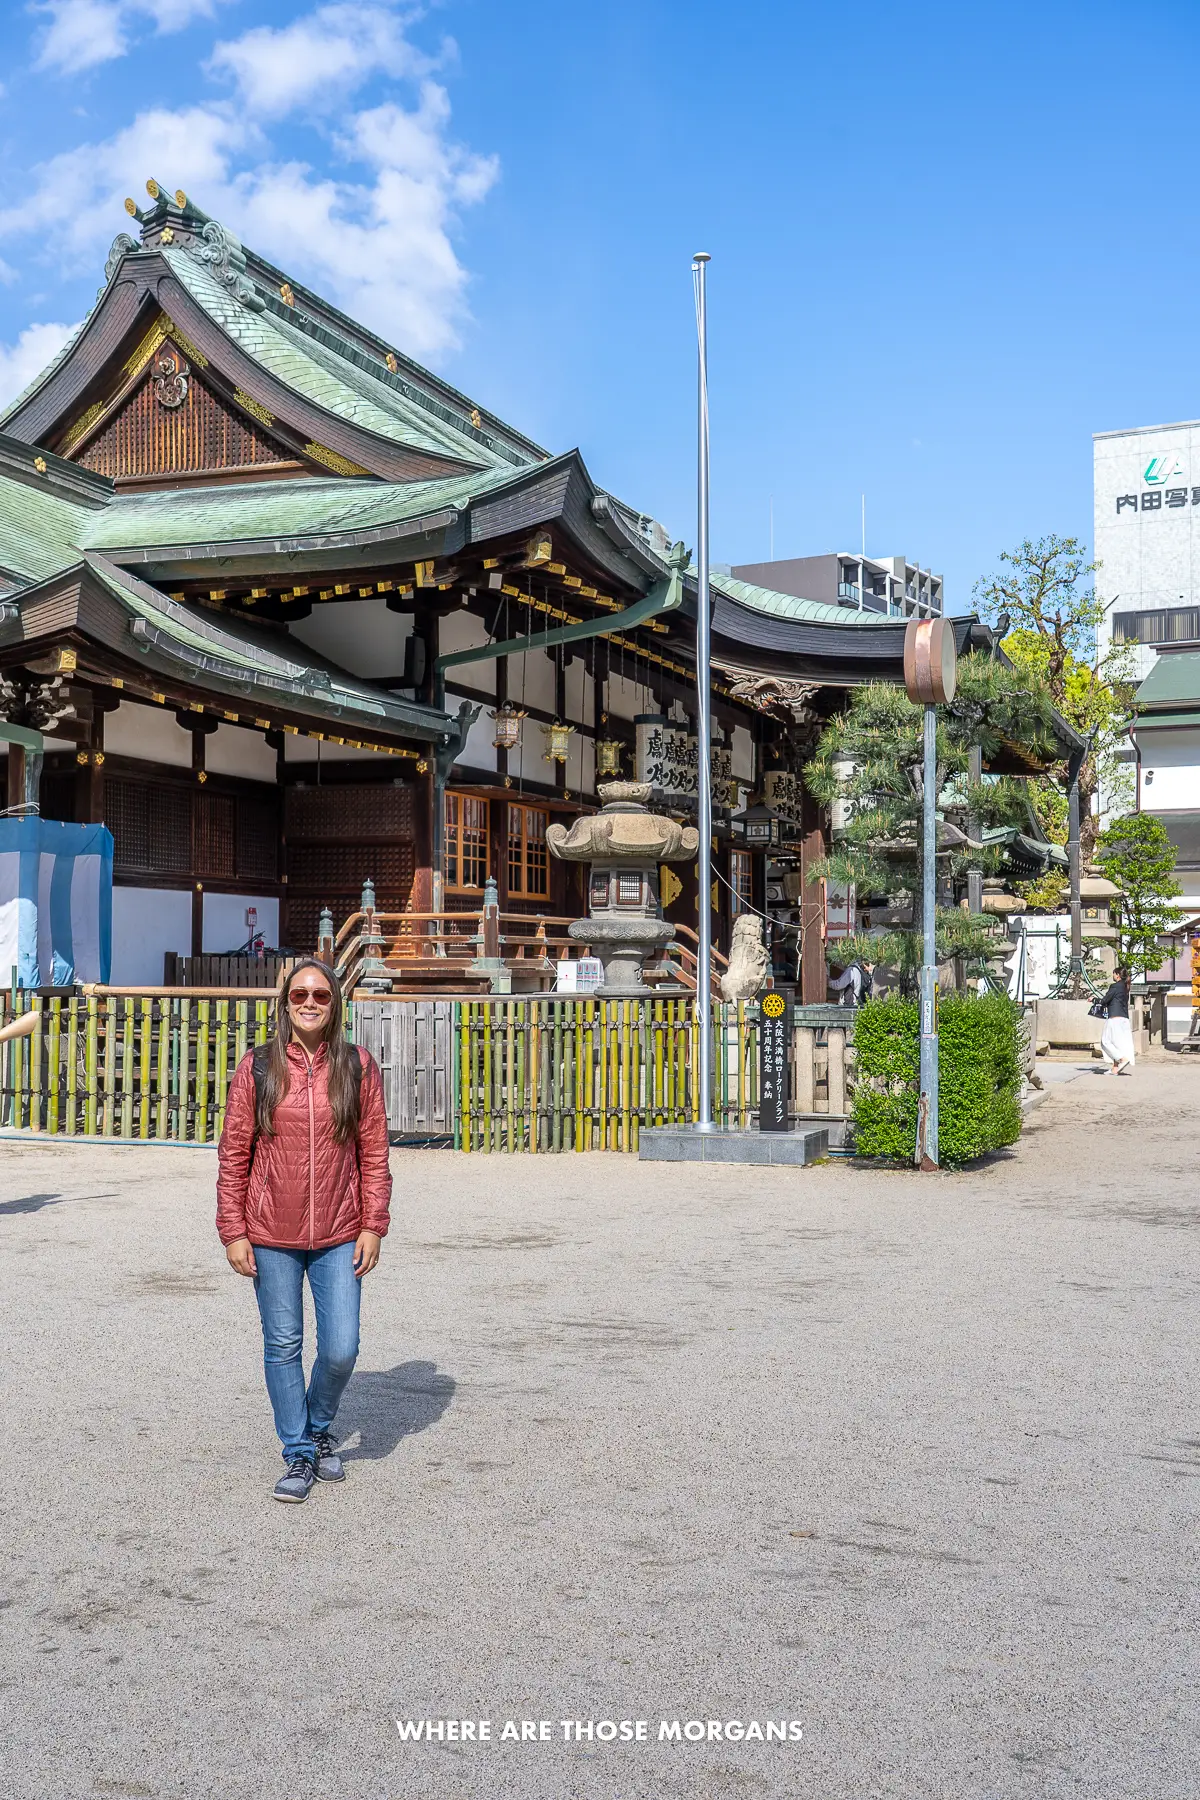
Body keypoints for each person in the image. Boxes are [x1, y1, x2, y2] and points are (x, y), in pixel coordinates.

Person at [216, 959, 392, 1503]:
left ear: (335, 1002)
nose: (310, 1002)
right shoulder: (259, 1068)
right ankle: (298, 1450)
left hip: (340, 1230)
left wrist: (374, 1223)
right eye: (299, 995)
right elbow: (233, 1154)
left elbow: (374, 1151)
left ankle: (316, 1428)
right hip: (270, 1232)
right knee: (284, 1344)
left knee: (342, 1346)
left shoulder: (358, 1067)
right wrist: (232, 1229)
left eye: (320, 994)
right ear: (285, 1004)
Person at [1098, 965, 1135, 1075]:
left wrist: (1094, 999)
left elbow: (1105, 1000)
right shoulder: (1125, 987)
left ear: (1118, 975)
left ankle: (1121, 1059)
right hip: (1124, 1018)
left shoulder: (1114, 986)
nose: (1113, 975)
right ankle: (1115, 1068)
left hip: (1114, 1018)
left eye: (1114, 973)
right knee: (1117, 1044)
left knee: (1105, 1041)